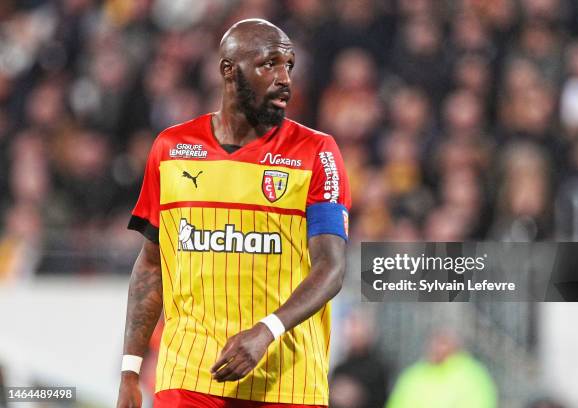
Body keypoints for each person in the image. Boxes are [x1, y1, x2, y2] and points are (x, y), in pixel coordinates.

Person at [116, 19, 351, 408]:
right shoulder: (171, 148)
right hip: (189, 376)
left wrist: (266, 330)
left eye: (289, 66)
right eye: (269, 64)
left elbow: (331, 268)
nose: (284, 78)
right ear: (229, 69)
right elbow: (152, 265)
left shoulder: (316, 152)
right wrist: (130, 371)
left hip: (287, 379)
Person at [385, 331, 497, 408]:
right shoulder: (414, 374)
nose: (437, 349)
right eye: (434, 344)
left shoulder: (472, 375)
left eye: (443, 344)